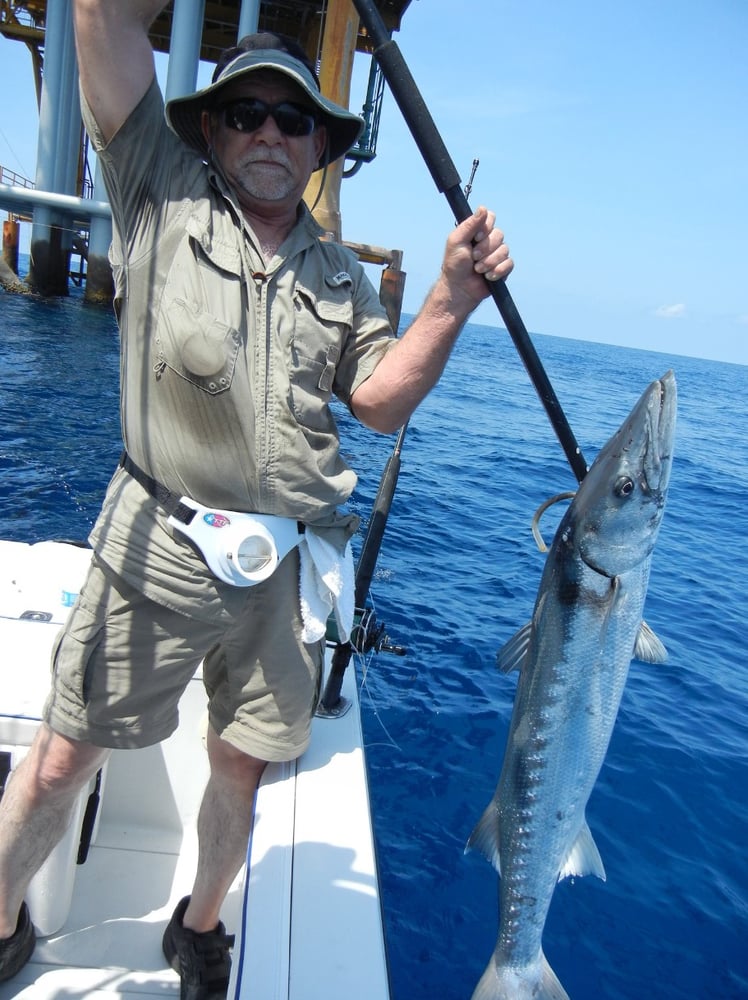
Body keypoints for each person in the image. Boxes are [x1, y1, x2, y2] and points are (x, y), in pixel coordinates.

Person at [0, 2, 513, 997]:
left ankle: (198, 927)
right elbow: (102, 22)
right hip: (153, 545)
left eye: (292, 118)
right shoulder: (158, 189)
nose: (270, 132)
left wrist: (450, 301)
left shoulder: (335, 275)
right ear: (210, 130)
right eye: (246, 115)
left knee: (239, 770)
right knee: (64, 758)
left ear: (320, 143)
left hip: (278, 573)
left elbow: (374, 400)